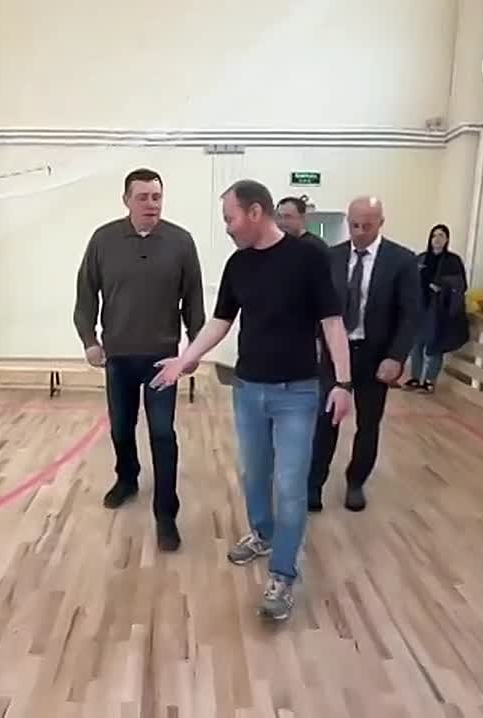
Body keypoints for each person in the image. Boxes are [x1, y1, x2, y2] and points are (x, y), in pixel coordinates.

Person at [152, 179, 353, 622]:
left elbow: (332, 322)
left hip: (297, 393)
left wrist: (343, 383)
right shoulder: (238, 264)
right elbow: (220, 322)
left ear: (256, 212)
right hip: (248, 390)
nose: (227, 227)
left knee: (290, 486)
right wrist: (186, 359)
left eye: (231, 218)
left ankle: (282, 575)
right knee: (254, 476)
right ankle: (263, 533)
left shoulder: (308, 259)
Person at [73, 168, 206, 552]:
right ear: (126, 200)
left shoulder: (181, 242)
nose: (152, 204)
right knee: (121, 428)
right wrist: (89, 341)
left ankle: (166, 514)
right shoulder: (104, 240)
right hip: (118, 356)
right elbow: (86, 294)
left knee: (163, 433)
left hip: (162, 360)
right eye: (143, 197)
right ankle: (127, 478)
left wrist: (194, 349)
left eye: (157, 197)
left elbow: (194, 299)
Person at [307, 196, 419, 512]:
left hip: (375, 356)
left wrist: (396, 357)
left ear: (381, 223)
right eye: (354, 225)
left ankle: (356, 482)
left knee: (368, 424)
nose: (359, 232)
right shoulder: (332, 257)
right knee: (325, 421)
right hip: (335, 355)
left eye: (366, 226)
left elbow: (411, 314)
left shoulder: (402, 261)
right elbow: (317, 306)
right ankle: (313, 484)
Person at [406, 224, 469, 393]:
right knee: (416, 344)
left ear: (447, 239)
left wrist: (442, 287)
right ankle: (414, 378)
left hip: (439, 310)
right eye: (434, 235)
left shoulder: (453, 261)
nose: (437, 239)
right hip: (420, 307)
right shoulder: (421, 259)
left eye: (441, 235)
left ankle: (429, 381)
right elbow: (409, 281)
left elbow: (461, 285)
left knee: (434, 345)